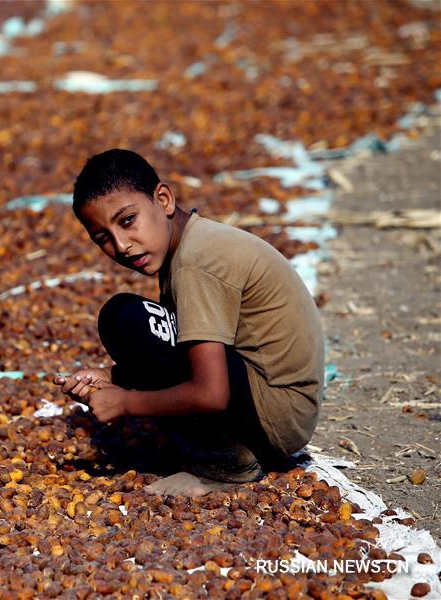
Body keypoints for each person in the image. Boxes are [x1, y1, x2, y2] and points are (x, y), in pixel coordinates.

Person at [54, 149, 324, 497]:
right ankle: (226, 449)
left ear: (163, 199)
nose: (120, 245)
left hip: (277, 417)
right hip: (275, 402)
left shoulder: (197, 263)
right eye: (102, 237)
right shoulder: (191, 245)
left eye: (126, 221)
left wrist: (124, 402)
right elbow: (185, 344)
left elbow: (211, 394)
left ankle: (226, 463)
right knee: (138, 322)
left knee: (125, 318)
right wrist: (113, 378)